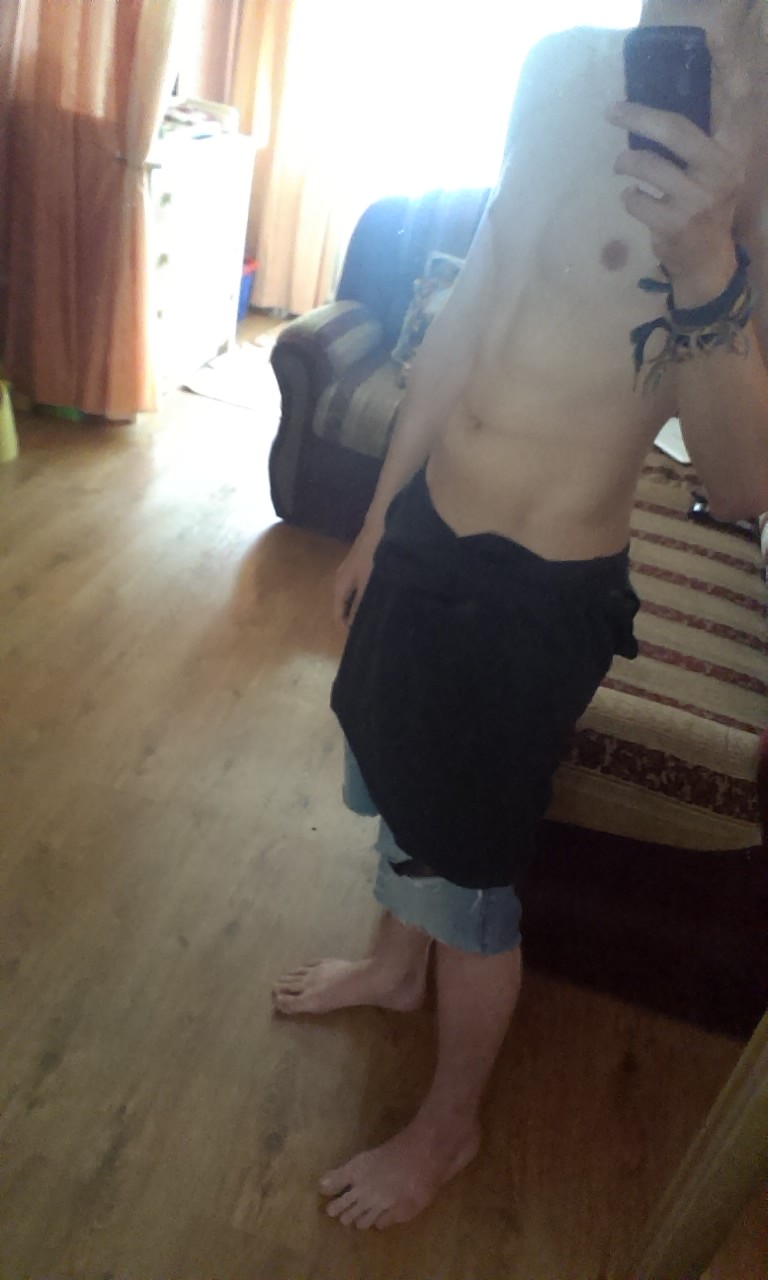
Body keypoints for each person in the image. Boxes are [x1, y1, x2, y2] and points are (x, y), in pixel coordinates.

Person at [273, 0, 768, 1232]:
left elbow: (741, 480)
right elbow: (475, 306)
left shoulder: (758, 156)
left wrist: (708, 256)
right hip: (430, 522)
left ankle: (449, 1126)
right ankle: (395, 969)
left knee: (473, 889)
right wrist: (381, 515)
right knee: (390, 770)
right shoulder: (556, 70)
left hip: (535, 592)